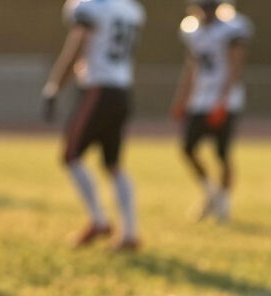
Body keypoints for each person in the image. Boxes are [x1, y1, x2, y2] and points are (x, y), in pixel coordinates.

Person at [42, 0, 146, 250]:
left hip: (98, 89)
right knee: (113, 163)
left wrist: (54, 86)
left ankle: (99, 221)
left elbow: (78, 45)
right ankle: (130, 233)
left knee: (71, 155)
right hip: (122, 91)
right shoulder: (132, 9)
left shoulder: (90, 7)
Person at [171, 0, 253, 223]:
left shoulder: (231, 29)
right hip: (200, 99)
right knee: (188, 148)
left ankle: (224, 202)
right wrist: (183, 97)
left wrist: (223, 100)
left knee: (222, 154)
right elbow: (192, 65)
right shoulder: (192, 30)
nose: (204, 12)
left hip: (224, 99)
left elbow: (235, 66)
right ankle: (211, 194)